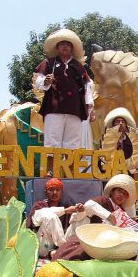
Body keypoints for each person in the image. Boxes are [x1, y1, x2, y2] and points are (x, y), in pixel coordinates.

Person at [57, 174, 138, 270]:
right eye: (119, 191)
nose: (121, 196)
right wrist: (108, 216)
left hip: (111, 247)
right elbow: (90, 205)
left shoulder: (122, 212)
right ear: (112, 191)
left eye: (125, 194)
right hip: (89, 242)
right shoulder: (103, 201)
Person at [34, 29, 95, 175]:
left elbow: (87, 87)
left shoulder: (79, 66)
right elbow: (38, 82)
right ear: (57, 47)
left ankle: (70, 173)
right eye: (62, 44)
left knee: (72, 143)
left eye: (68, 44)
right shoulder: (48, 63)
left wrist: (90, 109)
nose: (65, 46)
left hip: (74, 109)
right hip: (54, 108)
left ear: (72, 48)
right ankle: (50, 172)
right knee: (52, 140)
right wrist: (45, 81)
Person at [26, 178, 84, 258]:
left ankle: (58, 252)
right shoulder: (39, 205)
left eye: (57, 190)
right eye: (51, 190)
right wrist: (64, 211)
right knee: (50, 216)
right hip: (43, 245)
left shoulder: (67, 206)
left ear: (61, 193)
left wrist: (81, 210)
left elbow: (74, 223)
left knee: (82, 218)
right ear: (45, 192)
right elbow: (35, 219)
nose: (54, 192)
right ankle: (63, 249)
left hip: (61, 243)